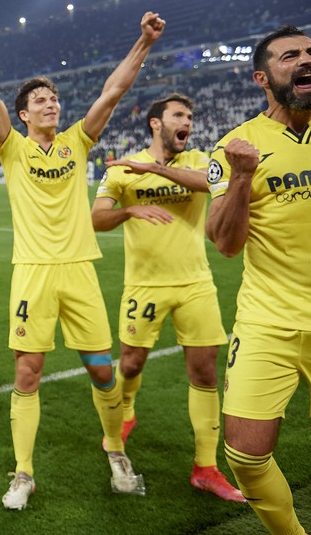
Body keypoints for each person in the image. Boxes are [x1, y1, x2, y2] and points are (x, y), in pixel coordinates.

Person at [0, 11, 165, 509]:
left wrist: (143, 41)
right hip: (33, 274)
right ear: (24, 115)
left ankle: (116, 452)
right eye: (39, 101)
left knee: (102, 370)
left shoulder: (78, 141)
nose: (51, 103)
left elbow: (112, 93)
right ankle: (24, 473)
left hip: (79, 271)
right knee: (27, 373)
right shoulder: (11, 148)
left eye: (53, 98)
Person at [205, 25, 311, 533]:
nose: (307, 60)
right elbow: (224, 242)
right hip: (269, 320)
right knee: (244, 455)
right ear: (263, 77)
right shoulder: (235, 147)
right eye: (291, 56)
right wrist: (242, 176)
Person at [90, 93, 245, 502]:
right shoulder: (124, 169)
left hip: (196, 284)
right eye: (179, 115)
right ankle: (126, 414)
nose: (188, 122)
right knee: (132, 361)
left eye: (191, 116)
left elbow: (212, 182)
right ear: (156, 123)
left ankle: (206, 468)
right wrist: (128, 211)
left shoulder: (199, 159)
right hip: (144, 286)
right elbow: (96, 217)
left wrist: (153, 169)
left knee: (205, 372)